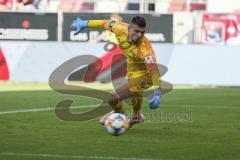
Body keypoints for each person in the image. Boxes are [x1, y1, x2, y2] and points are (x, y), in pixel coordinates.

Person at [70, 16, 161, 127]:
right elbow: (104, 23)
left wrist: (157, 92)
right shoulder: (119, 28)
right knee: (134, 92)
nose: (140, 35)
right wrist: (85, 23)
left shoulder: (145, 48)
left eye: (142, 32)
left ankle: (120, 115)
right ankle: (134, 116)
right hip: (133, 67)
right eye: (137, 31)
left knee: (113, 98)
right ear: (129, 28)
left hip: (147, 75)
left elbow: (153, 69)